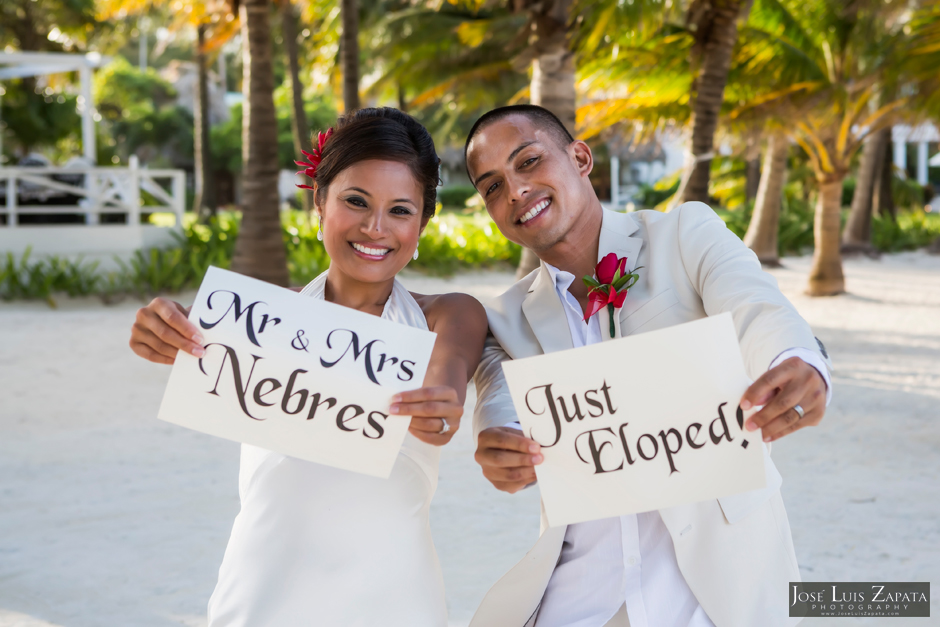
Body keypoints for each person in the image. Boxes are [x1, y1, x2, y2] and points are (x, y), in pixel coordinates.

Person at [465, 105, 832, 627]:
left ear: (581, 156)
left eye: (528, 162)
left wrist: (796, 362)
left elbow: (756, 307)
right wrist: (501, 440)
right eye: (492, 187)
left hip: (713, 594)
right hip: (580, 601)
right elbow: (500, 398)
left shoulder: (685, 234)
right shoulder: (505, 318)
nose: (516, 191)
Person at [129, 107, 489, 626]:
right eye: (355, 201)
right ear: (319, 201)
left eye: (401, 211)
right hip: (262, 590)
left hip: (392, 597)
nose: (375, 227)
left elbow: (444, 399)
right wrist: (162, 330)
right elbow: (189, 336)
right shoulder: (256, 318)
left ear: (424, 223)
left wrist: (441, 407)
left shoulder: (447, 315)